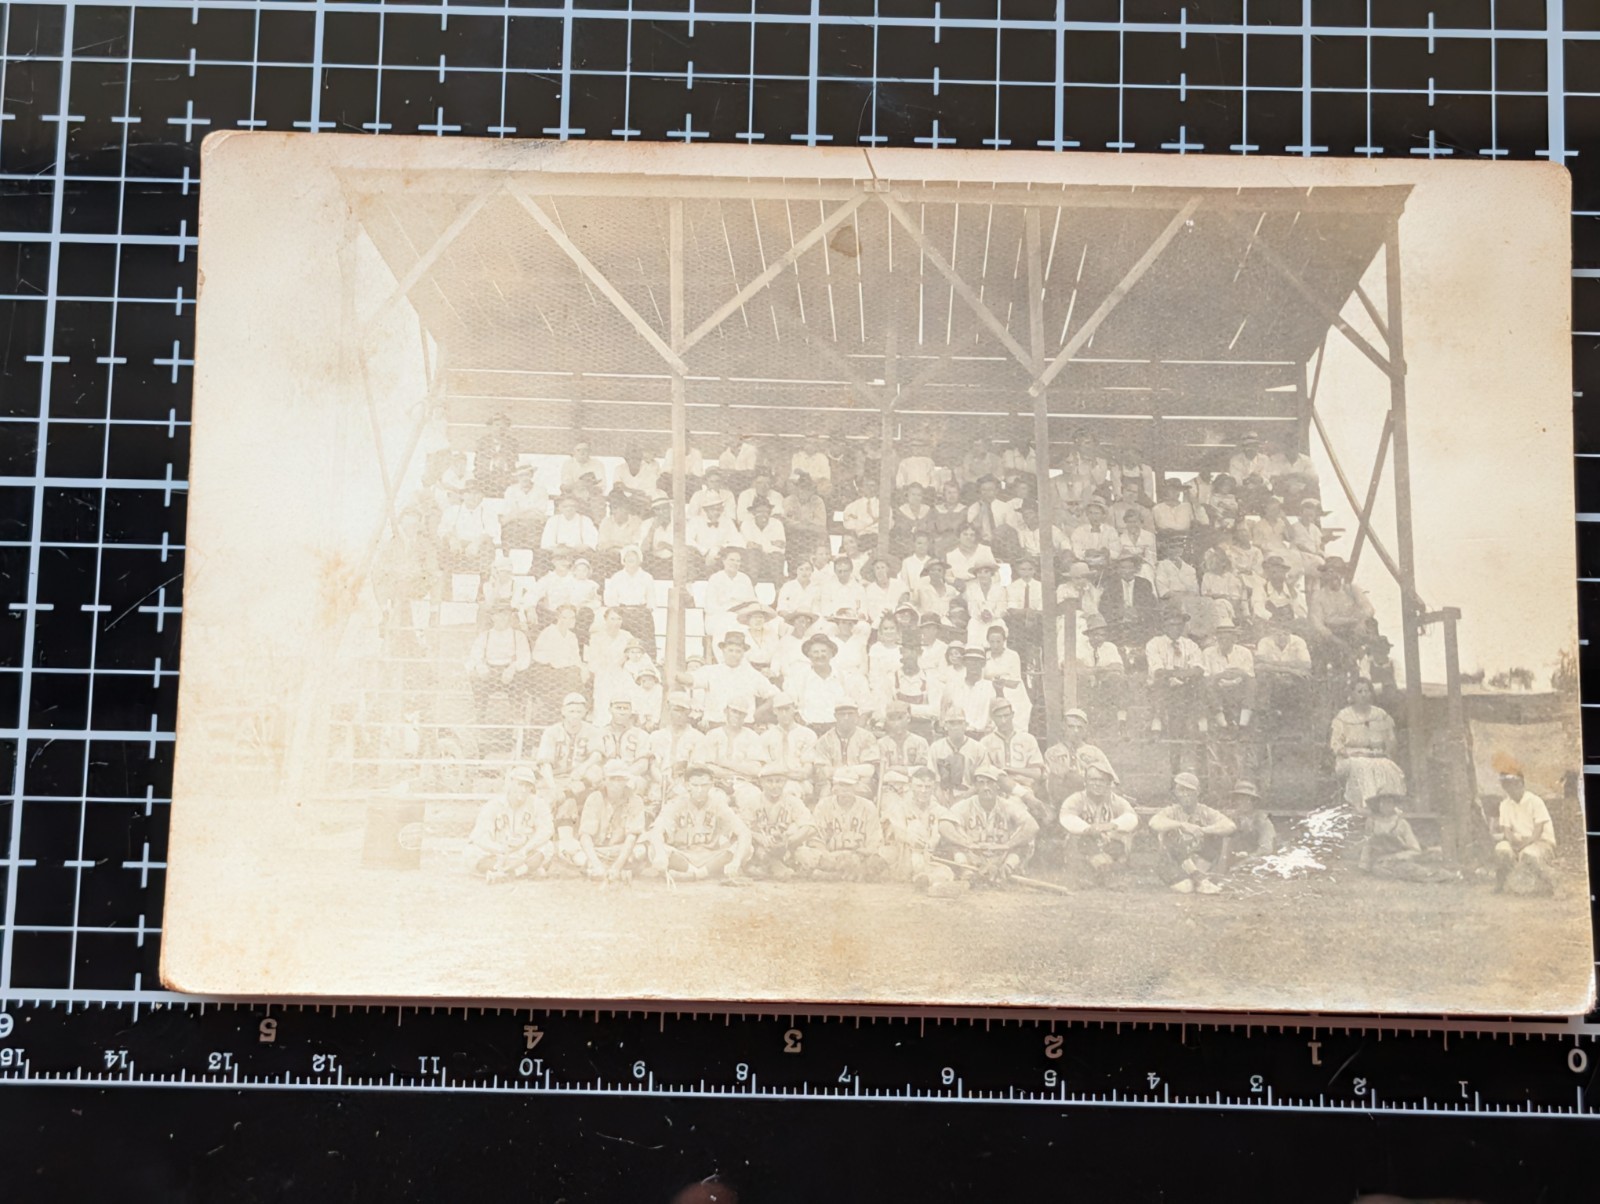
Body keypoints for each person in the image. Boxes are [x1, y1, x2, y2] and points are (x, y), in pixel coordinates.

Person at [938, 765, 1039, 883]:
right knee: (953, 837)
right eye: (981, 783)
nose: (986, 787)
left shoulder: (1008, 805)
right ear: (976, 786)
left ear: (997, 786)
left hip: (1002, 854)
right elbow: (944, 825)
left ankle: (1007, 869)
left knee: (1027, 840)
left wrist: (1008, 845)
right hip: (973, 855)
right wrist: (967, 844)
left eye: (990, 783)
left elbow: (1032, 826)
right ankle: (967, 872)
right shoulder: (966, 805)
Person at [649, 764, 751, 881]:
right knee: (654, 849)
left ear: (711, 785)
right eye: (695, 785)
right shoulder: (676, 803)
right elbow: (657, 830)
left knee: (746, 848)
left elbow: (744, 832)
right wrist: (661, 854)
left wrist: (736, 861)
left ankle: (695, 874)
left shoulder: (718, 804)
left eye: (704, 785)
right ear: (687, 785)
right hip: (683, 855)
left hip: (711, 855)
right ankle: (698, 873)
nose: (699, 790)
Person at [1058, 748, 1138, 886]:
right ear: (1086, 782)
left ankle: (1105, 871)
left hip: (1109, 846)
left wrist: (1110, 825)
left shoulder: (1116, 800)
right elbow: (1066, 818)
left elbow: (1131, 817)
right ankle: (1095, 872)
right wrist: (1090, 829)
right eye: (1093, 779)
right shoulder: (1076, 799)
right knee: (1078, 842)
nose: (1097, 784)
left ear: (1109, 784)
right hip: (1084, 848)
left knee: (1120, 844)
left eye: (1102, 781)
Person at [1149, 772, 1237, 893]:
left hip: (1199, 862)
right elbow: (1154, 822)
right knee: (1187, 887)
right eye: (1181, 791)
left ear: (1197, 792)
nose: (1185, 795)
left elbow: (1230, 825)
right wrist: (1182, 825)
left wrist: (1204, 830)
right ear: (1176, 793)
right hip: (1174, 865)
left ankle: (1197, 878)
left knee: (1217, 833)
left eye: (1189, 790)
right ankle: (1198, 879)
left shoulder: (1205, 811)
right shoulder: (1172, 811)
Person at [465, 766, 554, 882]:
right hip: (499, 852)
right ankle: (520, 871)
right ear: (510, 783)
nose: (523, 789)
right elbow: (480, 836)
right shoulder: (493, 805)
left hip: (525, 851)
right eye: (520, 784)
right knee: (471, 851)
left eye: (527, 786)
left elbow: (546, 830)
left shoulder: (538, 804)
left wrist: (526, 848)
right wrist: (500, 849)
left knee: (547, 847)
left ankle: (506, 874)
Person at [1330, 679, 1405, 810]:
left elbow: (1391, 740)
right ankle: (1365, 805)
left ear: (1371, 694)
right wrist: (1351, 753)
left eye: (1367, 691)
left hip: (1377, 757)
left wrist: (1387, 753)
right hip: (1350, 758)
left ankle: (1387, 807)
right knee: (1362, 766)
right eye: (1359, 691)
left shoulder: (1380, 715)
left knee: (1389, 768)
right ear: (1352, 695)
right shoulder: (1344, 716)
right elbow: (1336, 744)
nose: (1364, 694)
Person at [796, 768, 883, 880]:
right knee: (803, 853)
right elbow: (816, 840)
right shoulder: (823, 805)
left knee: (880, 858)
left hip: (857, 856)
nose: (844, 790)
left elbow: (874, 841)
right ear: (834, 787)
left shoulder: (868, 807)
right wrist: (828, 856)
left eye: (848, 785)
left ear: (856, 787)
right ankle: (844, 875)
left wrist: (859, 855)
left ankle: (830, 876)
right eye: (840, 785)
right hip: (830, 857)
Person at [536, 692, 605, 833]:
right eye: (571, 711)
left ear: (585, 712)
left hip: (579, 781)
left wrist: (583, 768)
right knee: (551, 799)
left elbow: (597, 755)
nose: (575, 715)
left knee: (597, 771)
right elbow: (544, 763)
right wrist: (553, 787)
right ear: (563, 711)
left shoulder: (592, 730)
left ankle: (566, 795)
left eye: (579, 711)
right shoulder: (551, 732)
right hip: (556, 779)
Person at [573, 761, 649, 882]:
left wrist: (617, 867)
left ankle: (610, 870)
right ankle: (598, 868)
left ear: (626, 781)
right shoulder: (595, 798)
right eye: (613, 779)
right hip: (598, 850)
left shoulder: (635, 800)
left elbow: (632, 837)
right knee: (574, 852)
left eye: (621, 779)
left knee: (641, 850)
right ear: (605, 780)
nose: (617, 784)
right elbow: (585, 835)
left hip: (621, 850)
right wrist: (596, 863)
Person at [739, 762, 815, 880]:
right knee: (758, 853)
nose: (774, 785)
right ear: (761, 783)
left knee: (807, 857)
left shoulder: (793, 801)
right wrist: (759, 837)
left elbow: (809, 827)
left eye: (778, 781)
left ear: (785, 782)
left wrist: (789, 841)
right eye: (769, 781)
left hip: (788, 846)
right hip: (762, 848)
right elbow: (740, 828)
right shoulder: (752, 802)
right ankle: (775, 868)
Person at [1492, 764, 1557, 894]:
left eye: (1512, 784)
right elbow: (1507, 830)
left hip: (1541, 843)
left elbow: (1538, 832)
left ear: (1521, 783)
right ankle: (1501, 883)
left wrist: (1523, 845)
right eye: (1505, 785)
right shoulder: (1505, 804)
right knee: (1501, 849)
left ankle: (1554, 883)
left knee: (1529, 854)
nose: (1509, 788)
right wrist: (1513, 843)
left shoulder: (1535, 801)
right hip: (1518, 843)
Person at [695, 695, 768, 809]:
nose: (737, 716)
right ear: (726, 711)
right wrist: (737, 771)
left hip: (743, 784)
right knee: (713, 800)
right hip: (716, 783)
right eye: (734, 711)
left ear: (745, 716)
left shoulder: (752, 737)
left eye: (741, 713)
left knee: (754, 798)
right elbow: (705, 767)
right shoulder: (713, 735)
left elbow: (756, 770)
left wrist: (724, 763)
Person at [466, 603, 531, 725]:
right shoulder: (485, 636)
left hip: (510, 673)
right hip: (490, 672)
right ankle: (480, 716)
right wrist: (480, 666)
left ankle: (517, 718)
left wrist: (513, 667)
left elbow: (525, 657)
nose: (502, 618)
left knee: (520, 680)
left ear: (510, 617)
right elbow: (474, 655)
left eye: (505, 615)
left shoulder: (518, 635)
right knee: (475, 678)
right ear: (492, 617)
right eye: (498, 615)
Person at [1145, 610, 1204, 734]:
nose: (1176, 628)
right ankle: (1157, 725)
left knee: (1198, 685)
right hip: (1161, 686)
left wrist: (1179, 675)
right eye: (1172, 625)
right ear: (1164, 626)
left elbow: (1199, 669)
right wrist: (1183, 673)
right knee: (1162, 685)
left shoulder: (1190, 644)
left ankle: (1201, 727)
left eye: (1179, 625)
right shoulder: (1154, 643)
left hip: (1186, 685)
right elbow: (1158, 672)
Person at [1253, 614, 1313, 726]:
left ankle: (1300, 721)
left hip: (1292, 675)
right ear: (1271, 632)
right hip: (1274, 675)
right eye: (1278, 633)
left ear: (1290, 632)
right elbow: (1259, 665)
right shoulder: (1265, 642)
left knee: (1303, 679)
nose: (1282, 637)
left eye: (1285, 633)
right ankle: (1264, 719)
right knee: (1264, 678)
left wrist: (1274, 665)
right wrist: (1289, 669)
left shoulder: (1298, 641)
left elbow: (1306, 664)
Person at [926, 703, 991, 805]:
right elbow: (933, 780)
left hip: (970, 795)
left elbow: (981, 781)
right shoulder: (935, 747)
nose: (956, 727)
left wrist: (963, 798)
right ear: (945, 725)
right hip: (942, 795)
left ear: (966, 725)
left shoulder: (978, 748)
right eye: (952, 723)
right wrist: (942, 800)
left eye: (959, 723)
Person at [813, 701, 882, 794]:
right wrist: (845, 775)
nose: (846, 718)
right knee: (825, 791)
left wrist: (844, 772)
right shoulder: (825, 740)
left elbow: (869, 769)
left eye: (850, 714)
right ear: (835, 716)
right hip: (833, 783)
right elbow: (823, 771)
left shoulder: (867, 737)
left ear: (857, 715)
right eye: (842, 714)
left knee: (864, 786)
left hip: (860, 782)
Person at [1200, 617, 1256, 730]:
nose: (1224, 642)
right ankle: (1224, 725)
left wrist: (1238, 673)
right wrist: (1220, 676)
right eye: (1221, 639)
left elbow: (1249, 675)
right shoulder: (1208, 653)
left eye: (1228, 638)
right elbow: (1206, 676)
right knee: (1205, 685)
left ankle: (1243, 725)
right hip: (1217, 687)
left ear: (1234, 639)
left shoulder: (1244, 652)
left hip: (1239, 687)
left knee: (1251, 683)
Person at [1223, 780, 1276, 863]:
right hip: (1231, 863)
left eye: (1246, 799)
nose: (1241, 802)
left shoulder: (1262, 821)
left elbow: (1266, 848)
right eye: (1238, 799)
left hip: (1254, 864)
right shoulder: (1231, 818)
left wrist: (1249, 857)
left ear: (1253, 802)